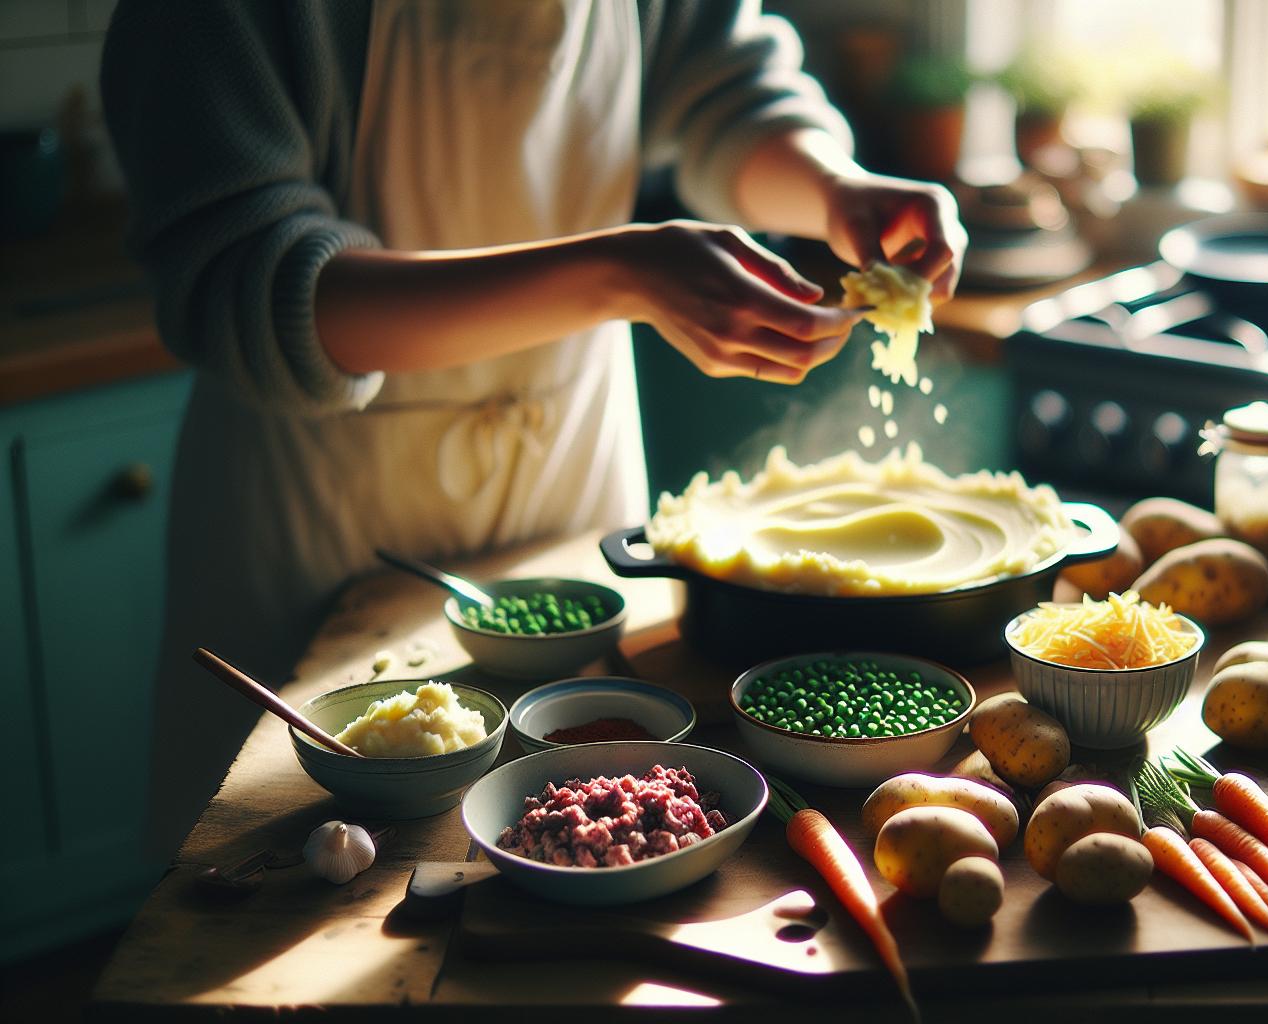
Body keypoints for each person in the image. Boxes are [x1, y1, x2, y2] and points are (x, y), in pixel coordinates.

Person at [101, 0, 965, 860]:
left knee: (586, 832)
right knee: (293, 874)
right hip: (320, 510)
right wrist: (618, 272)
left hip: (569, 473)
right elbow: (255, 279)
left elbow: (729, 93)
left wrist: (831, 186)